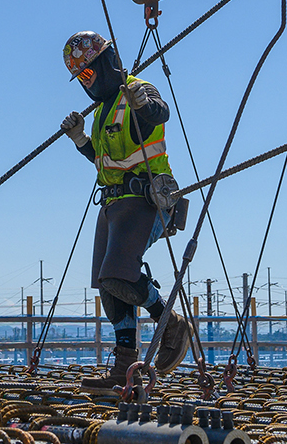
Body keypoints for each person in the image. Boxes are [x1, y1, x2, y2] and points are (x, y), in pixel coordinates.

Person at [58, 31, 193, 388]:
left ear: (107, 63)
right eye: (81, 79)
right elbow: (106, 162)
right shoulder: (103, 110)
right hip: (114, 202)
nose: (87, 84)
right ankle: (124, 365)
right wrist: (80, 140)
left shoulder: (137, 89)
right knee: (107, 283)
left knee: (118, 274)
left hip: (146, 199)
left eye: (90, 74)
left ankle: (171, 324)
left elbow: (159, 112)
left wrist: (140, 103)